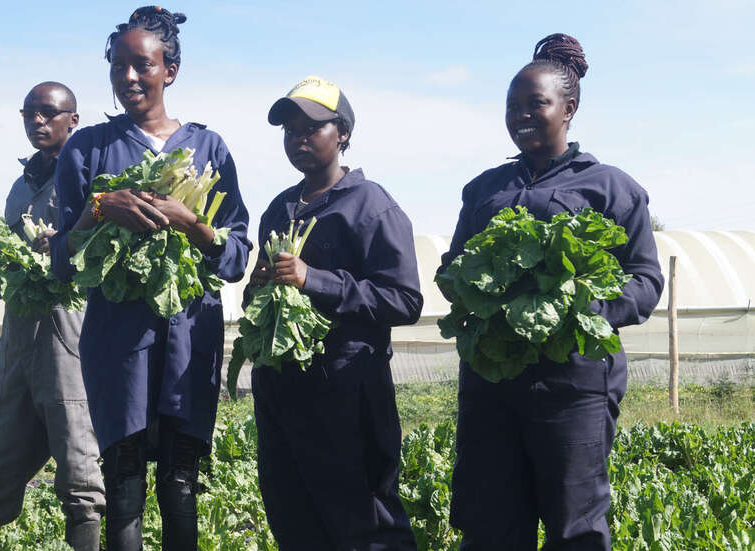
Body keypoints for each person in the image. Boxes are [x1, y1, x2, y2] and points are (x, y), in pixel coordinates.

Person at [440, 34, 664, 550]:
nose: (520, 115)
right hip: (492, 377)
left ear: (568, 109)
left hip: (573, 382)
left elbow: (646, 280)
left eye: (535, 104)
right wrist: (477, 289)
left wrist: (580, 307)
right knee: (489, 520)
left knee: (575, 524)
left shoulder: (610, 187)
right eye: (511, 106)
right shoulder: (484, 190)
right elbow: (453, 270)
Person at [48, 7, 251, 550]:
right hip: (118, 340)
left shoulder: (209, 148)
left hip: (191, 335)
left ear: (170, 70)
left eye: (143, 65)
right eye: (119, 66)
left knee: (181, 483)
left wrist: (192, 223)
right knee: (124, 482)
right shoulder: (87, 148)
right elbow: (62, 261)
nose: (129, 77)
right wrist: (98, 207)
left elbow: (235, 257)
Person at [250, 75, 423, 550]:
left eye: (312, 127)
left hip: (348, 393)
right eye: (289, 130)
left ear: (343, 132)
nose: (298, 138)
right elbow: (258, 300)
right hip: (282, 391)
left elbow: (405, 300)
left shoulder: (371, 206)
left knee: (364, 523)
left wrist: (314, 279)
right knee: (293, 517)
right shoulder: (279, 209)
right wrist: (259, 288)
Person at [0, 82, 105, 551]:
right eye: (29, 114)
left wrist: (64, 244)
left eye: (48, 113)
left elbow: (100, 251)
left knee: (78, 459)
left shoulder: (89, 176)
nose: (37, 121)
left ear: (73, 120)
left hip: (69, 333)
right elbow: (11, 260)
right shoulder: (20, 186)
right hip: (20, 335)